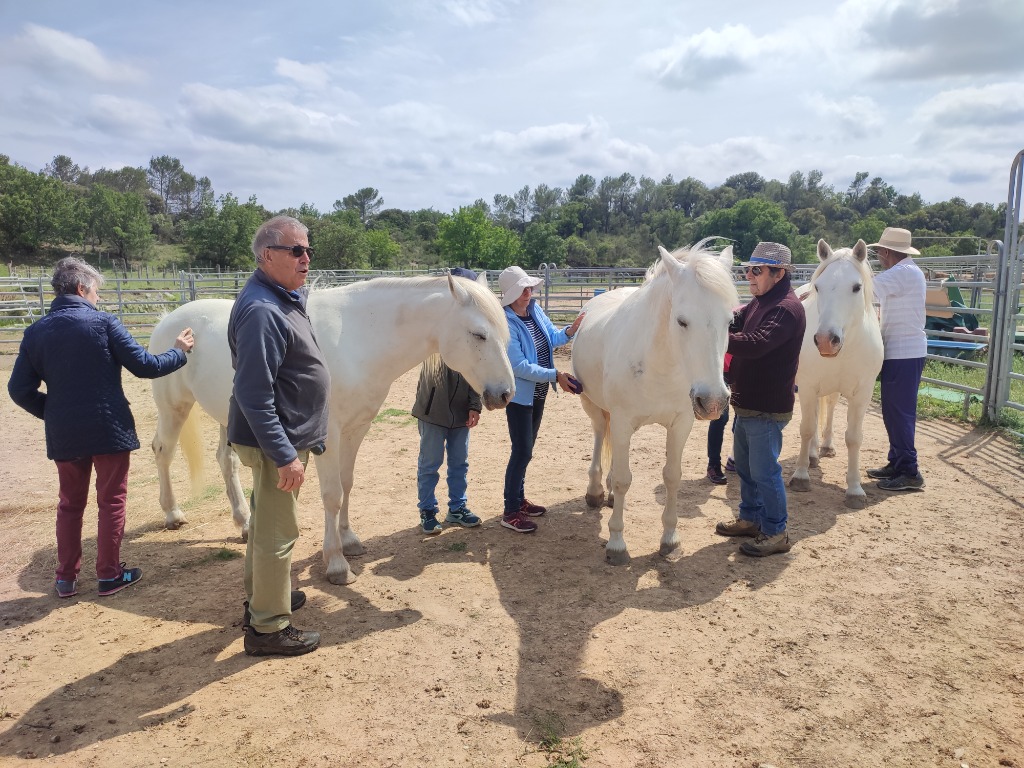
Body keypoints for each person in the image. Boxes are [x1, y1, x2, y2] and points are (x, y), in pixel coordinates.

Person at [8, 256, 194, 598]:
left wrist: (52, 412)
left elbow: (18, 389)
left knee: (69, 504)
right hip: (109, 428)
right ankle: (108, 575)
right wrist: (179, 352)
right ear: (82, 288)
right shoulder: (104, 323)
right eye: (96, 292)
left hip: (65, 434)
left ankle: (66, 578)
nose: (99, 298)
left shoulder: (35, 332)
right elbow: (146, 366)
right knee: (111, 501)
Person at [228, 215, 330, 657]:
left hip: (282, 436)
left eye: (308, 250)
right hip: (277, 442)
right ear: (268, 256)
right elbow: (253, 393)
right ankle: (268, 628)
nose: (306, 258)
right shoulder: (263, 311)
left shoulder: (278, 295)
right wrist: (286, 454)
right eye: (297, 251)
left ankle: (263, 600)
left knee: (266, 523)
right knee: (277, 532)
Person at [715, 242, 806, 557]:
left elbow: (755, 344)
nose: (748, 277)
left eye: (756, 271)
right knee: (747, 469)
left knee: (765, 472)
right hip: (748, 404)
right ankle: (750, 518)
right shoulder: (761, 302)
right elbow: (737, 324)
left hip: (766, 408)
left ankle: (776, 531)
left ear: (778, 273)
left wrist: (709, 335)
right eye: (746, 270)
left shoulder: (786, 309)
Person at [498, 266, 585, 533]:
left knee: (527, 449)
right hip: (520, 396)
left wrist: (571, 330)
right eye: (523, 290)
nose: (528, 292)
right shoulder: (506, 322)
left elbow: (552, 338)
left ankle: (518, 500)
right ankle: (510, 510)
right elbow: (519, 366)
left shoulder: (535, 310)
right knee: (521, 450)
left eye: (529, 288)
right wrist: (555, 375)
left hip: (537, 393)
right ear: (511, 294)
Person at [412, 267, 484, 534]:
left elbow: (477, 370)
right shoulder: (437, 327)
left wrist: (475, 404)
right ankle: (428, 510)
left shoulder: (471, 331)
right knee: (430, 463)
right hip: (433, 411)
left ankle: (457, 509)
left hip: (461, 411)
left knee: (459, 463)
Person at [865, 227, 927, 491]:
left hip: (904, 352)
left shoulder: (902, 273)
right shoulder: (907, 273)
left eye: (879, 251)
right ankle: (898, 462)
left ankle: (910, 471)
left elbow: (863, 289)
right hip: (902, 351)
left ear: (887, 252)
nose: (878, 256)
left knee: (899, 412)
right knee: (893, 410)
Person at [706, 353, 733, 485]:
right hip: (719, 370)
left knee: (744, 416)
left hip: (743, 365)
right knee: (720, 418)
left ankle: (736, 457)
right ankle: (713, 464)